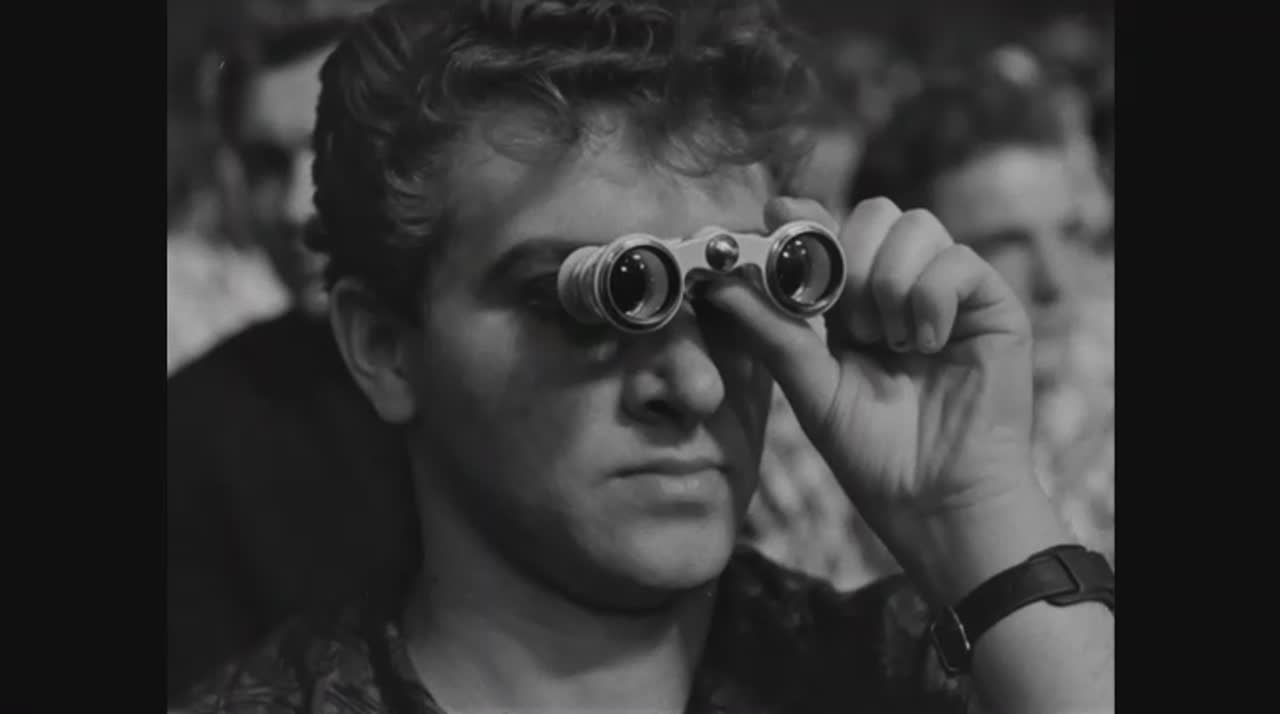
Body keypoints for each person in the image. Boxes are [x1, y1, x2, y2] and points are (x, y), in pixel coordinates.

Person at [172, 1, 1115, 712]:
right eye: (592, 304)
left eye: (736, 297)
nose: (693, 384)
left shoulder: (923, 671)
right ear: (384, 348)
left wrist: (979, 514)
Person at [166, 11, 414, 698]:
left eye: (335, 150)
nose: (294, 206)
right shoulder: (195, 425)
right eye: (267, 164)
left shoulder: (526, 366)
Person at [847, 59, 1115, 560]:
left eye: (1071, 233)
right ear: (899, 261)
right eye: (1006, 245)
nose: (1056, 281)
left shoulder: (1104, 390)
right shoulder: (821, 447)